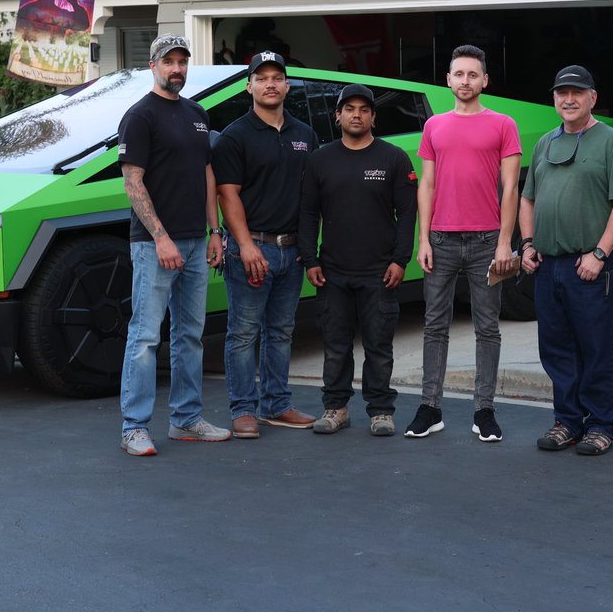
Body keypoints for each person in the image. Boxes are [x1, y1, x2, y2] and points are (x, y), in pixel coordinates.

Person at [117, 34, 228, 457]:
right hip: (153, 245)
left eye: (182, 61)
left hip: (197, 242)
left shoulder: (197, 114)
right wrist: (161, 237)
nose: (176, 68)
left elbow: (206, 175)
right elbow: (133, 181)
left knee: (191, 335)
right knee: (145, 337)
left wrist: (214, 232)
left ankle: (186, 419)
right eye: (169, 61)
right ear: (153, 66)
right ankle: (134, 427)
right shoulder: (140, 116)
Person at [404, 44, 521, 443]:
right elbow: (427, 185)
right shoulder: (434, 125)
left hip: (488, 240)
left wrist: (505, 242)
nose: (465, 81)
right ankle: (429, 407)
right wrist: (424, 238)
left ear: (484, 81)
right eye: (459, 74)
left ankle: (483, 411)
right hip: (441, 238)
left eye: (473, 74)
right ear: (448, 80)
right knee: (434, 326)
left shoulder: (504, 124)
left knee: (487, 328)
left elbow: (510, 188)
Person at [519, 65, 613, 456]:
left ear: (592, 98)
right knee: (556, 348)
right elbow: (528, 198)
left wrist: (601, 253)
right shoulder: (544, 144)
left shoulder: (610, 141)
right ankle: (567, 421)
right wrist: (529, 242)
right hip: (549, 265)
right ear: (554, 99)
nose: (568, 100)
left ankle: (601, 424)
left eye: (576, 93)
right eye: (561, 93)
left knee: (596, 347)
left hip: (591, 265)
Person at [298, 84, 418, 437]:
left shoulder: (393, 158)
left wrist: (400, 260)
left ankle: (381, 411)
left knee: (379, 346)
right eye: (348, 108)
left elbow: (408, 212)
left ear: (373, 117)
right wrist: (310, 259)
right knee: (335, 346)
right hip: (332, 272)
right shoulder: (320, 159)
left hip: (380, 273)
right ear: (337, 116)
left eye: (364, 109)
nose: (356, 114)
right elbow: (307, 213)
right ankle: (336, 408)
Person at [212, 51, 319, 438]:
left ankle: (277, 404)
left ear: (287, 85)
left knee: (281, 331)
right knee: (243, 332)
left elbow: (311, 198)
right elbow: (228, 195)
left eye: (277, 77)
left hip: (292, 251)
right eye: (262, 78)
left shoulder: (305, 135)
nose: (270, 83)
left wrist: (308, 250)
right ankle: (243, 409)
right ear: (249, 86)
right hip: (251, 250)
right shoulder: (234, 136)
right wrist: (245, 245)